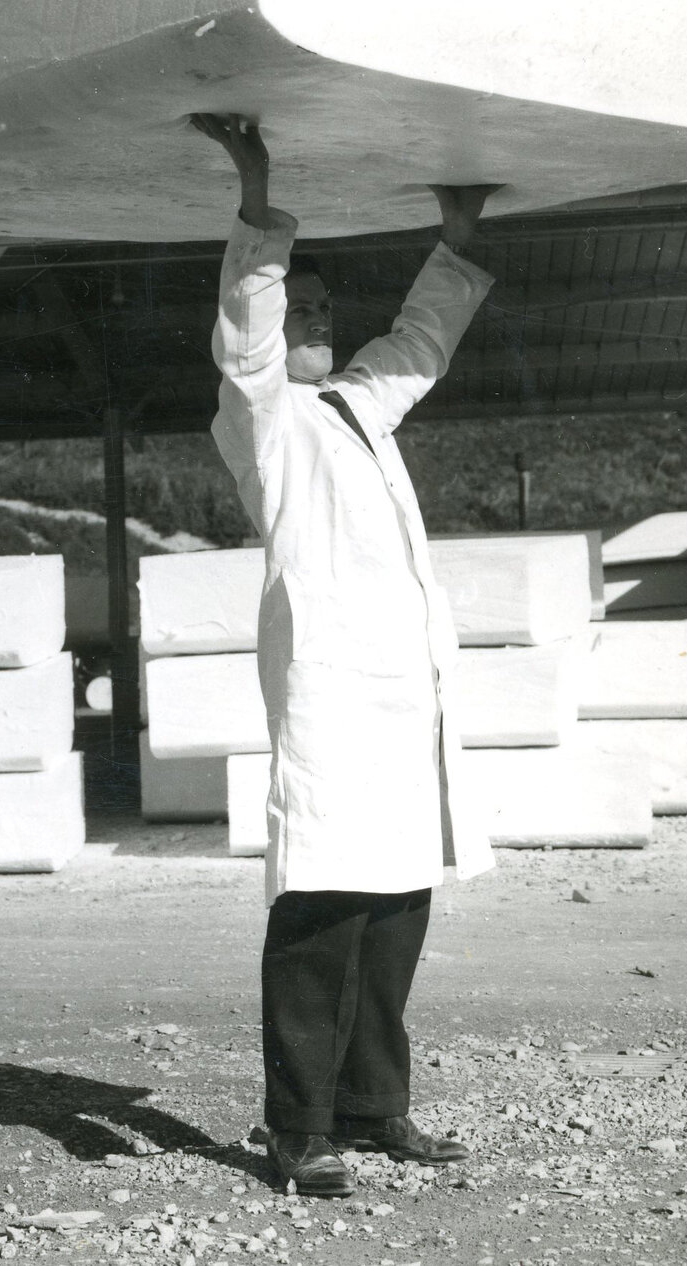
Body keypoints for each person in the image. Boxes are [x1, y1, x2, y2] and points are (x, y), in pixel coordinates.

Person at [193, 113, 500, 1198]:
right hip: (328, 690)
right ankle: (299, 1127)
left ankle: (375, 1107)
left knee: (399, 903)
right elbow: (246, 336)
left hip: (403, 694)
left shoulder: (358, 405)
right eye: (301, 307)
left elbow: (420, 341)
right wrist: (258, 198)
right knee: (324, 909)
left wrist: (457, 239)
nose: (314, 321)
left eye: (326, 308)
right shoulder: (262, 420)